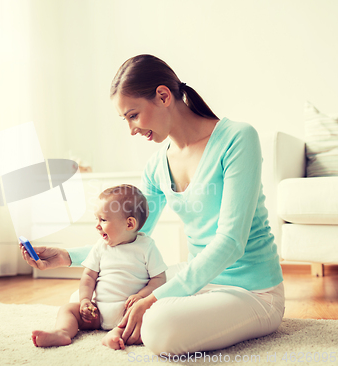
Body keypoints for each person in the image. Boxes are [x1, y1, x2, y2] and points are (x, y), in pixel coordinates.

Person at [21, 54, 285, 356]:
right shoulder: (158, 164)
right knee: (96, 295)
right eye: (126, 120)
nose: (131, 129)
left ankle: (151, 319)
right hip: (198, 282)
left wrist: (155, 299)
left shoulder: (238, 138)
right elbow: (128, 230)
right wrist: (66, 256)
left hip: (252, 291)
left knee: (159, 326)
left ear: (163, 96)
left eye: (133, 115)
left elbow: (231, 243)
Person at [30, 184, 167, 350]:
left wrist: (141, 296)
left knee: (151, 318)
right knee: (68, 309)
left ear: (129, 224)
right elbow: (88, 276)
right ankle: (63, 332)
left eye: (103, 219)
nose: (97, 225)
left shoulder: (146, 247)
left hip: (129, 311)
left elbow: (159, 279)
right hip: (98, 312)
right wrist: (85, 301)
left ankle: (117, 333)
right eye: (97, 219)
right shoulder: (101, 246)